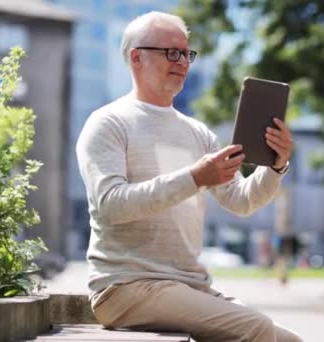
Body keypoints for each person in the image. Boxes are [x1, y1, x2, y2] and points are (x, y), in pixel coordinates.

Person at [76, 11, 302, 342]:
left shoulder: (199, 134)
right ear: (136, 57)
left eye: (186, 53)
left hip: (189, 287)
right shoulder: (108, 123)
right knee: (255, 329)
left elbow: (241, 201)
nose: (182, 61)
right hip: (127, 286)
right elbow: (110, 205)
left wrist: (276, 166)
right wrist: (195, 177)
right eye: (171, 52)